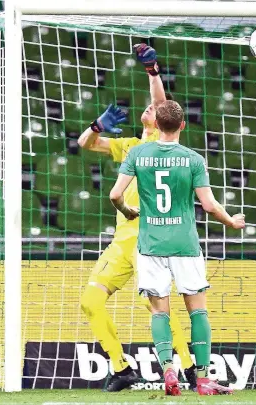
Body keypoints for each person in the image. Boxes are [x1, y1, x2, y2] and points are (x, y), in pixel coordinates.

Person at [77, 43, 196, 392]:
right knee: (91, 301)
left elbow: (160, 104)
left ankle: (187, 365)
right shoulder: (129, 146)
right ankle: (120, 367)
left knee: (157, 308)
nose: (149, 108)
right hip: (122, 239)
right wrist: (97, 125)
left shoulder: (161, 146)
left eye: (154, 109)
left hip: (148, 237)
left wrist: (153, 72)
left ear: (161, 122)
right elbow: (85, 143)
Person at [109, 100, 245, 396]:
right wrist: (231, 222)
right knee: (198, 311)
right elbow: (209, 206)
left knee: (160, 313)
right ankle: (204, 378)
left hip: (150, 244)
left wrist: (127, 210)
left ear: (156, 125)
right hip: (184, 243)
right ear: (183, 125)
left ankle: (169, 371)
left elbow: (115, 194)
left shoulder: (137, 153)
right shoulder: (193, 159)